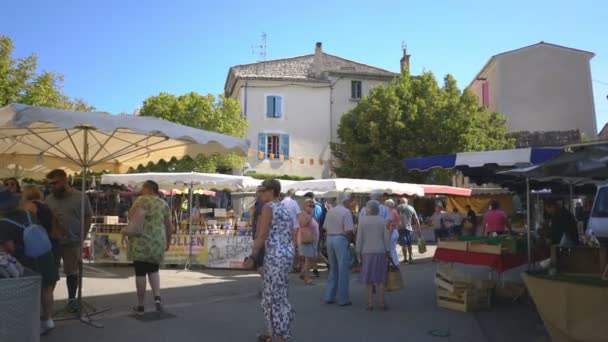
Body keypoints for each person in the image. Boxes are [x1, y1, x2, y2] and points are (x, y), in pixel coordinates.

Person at [0, 186, 59, 334]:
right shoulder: (28, 213)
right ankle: (48, 320)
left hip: (28, 259)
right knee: (46, 288)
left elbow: (10, 248)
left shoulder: (3, 223)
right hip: (45, 253)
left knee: (30, 292)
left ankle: (29, 324)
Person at [244, 179, 295, 342]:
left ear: (272, 191)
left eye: (262, 190)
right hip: (286, 254)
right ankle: (273, 332)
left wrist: (253, 256)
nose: (260, 193)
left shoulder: (268, 208)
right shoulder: (285, 208)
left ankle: (278, 336)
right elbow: (290, 232)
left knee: (272, 297)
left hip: (275, 255)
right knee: (280, 295)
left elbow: (263, 234)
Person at [44, 169, 92, 312]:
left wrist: (83, 236)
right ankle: (47, 301)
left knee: (71, 271)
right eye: (50, 184)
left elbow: (88, 216)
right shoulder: (49, 199)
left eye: (56, 183)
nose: (53, 186)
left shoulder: (80, 197)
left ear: (65, 180)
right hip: (53, 242)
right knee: (51, 272)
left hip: (73, 240)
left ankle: (72, 300)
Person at [127, 180, 172, 315]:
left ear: (149, 189)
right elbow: (169, 226)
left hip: (140, 241)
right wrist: (168, 242)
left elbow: (130, 216)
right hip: (157, 241)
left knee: (140, 273)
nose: (142, 190)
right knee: (153, 270)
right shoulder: (163, 204)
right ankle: (157, 298)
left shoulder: (140, 201)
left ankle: (141, 305)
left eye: (143, 188)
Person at [356, 200, 391, 311]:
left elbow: (359, 238)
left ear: (368, 209)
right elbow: (386, 238)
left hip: (367, 252)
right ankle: (381, 303)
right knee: (381, 279)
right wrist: (388, 250)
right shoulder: (382, 221)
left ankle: (370, 303)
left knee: (369, 279)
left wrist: (358, 251)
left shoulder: (362, 221)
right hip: (380, 251)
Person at [323, 191, 355, 307]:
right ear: (346, 200)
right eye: (350, 200)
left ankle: (329, 295)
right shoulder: (346, 212)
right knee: (343, 269)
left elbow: (325, 227)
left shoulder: (331, 211)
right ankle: (343, 299)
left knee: (333, 268)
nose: (351, 202)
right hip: (340, 239)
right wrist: (349, 240)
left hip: (330, 238)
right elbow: (348, 230)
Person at [297, 199, 320, 285]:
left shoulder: (309, 215)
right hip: (306, 240)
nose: (311, 208)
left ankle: (303, 273)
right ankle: (307, 278)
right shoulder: (302, 214)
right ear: (304, 206)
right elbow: (302, 223)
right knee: (308, 260)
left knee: (311, 259)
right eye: (309, 206)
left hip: (312, 241)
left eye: (313, 206)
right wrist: (310, 216)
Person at [303, 192, 325, 278]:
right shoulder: (314, 207)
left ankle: (308, 271)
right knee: (313, 251)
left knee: (313, 251)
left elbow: (316, 219)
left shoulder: (317, 207)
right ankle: (314, 269)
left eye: (306, 198)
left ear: (311, 198)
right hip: (313, 230)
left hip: (314, 231)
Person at [397, 198, 421, 263]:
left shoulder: (398, 207)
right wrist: (418, 229)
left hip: (401, 228)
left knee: (403, 244)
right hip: (409, 228)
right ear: (407, 202)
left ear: (401, 202)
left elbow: (395, 217)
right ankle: (410, 257)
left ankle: (405, 258)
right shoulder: (411, 208)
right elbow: (416, 219)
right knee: (409, 243)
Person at [384, 199, 400, 266]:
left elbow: (391, 224)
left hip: (392, 231)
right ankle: (395, 262)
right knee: (393, 248)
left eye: (386, 204)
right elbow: (397, 222)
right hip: (395, 231)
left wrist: (389, 235)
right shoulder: (394, 211)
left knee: (390, 248)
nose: (385, 206)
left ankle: (393, 263)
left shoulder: (391, 212)